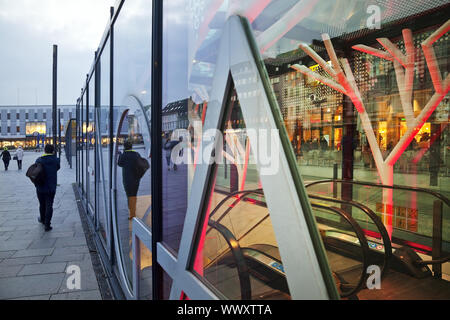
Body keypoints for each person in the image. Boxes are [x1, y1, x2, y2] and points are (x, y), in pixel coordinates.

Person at [35, 144, 60, 231]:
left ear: (45, 150)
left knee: (42, 204)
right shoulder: (55, 160)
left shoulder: (39, 160)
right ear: (53, 151)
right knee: (49, 205)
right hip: (51, 186)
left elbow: (35, 171)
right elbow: (57, 168)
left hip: (40, 186)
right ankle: (47, 225)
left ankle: (42, 219)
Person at [118, 140, 145, 220]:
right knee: (134, 195)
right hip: (136, 179)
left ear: (124, 147)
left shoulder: (124, 155)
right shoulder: (136, 154)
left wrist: (121, 154)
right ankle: (133, 211)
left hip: (127, 179)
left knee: (129, 195)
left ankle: (132, 213)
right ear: (131, 146)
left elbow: (119, 163)